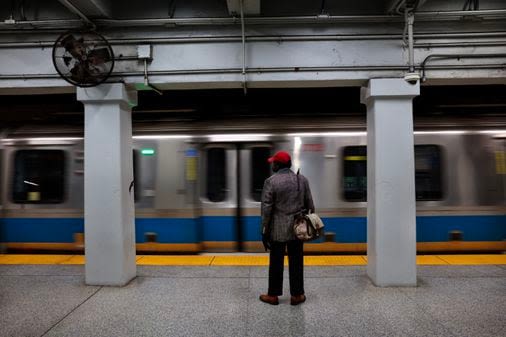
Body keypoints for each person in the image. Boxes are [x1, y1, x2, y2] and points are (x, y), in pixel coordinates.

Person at [259, 150, 315, 306]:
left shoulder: (271, 182)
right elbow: (310, 205)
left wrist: (264, 230)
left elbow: (267, 210)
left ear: (278, 164)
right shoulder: (301, 180)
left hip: (277, 230)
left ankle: (273, 295)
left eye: (273, 163)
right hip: (298, 230)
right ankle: (297, 295)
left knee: (276, 262)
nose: (272, 165)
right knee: (296, 262)